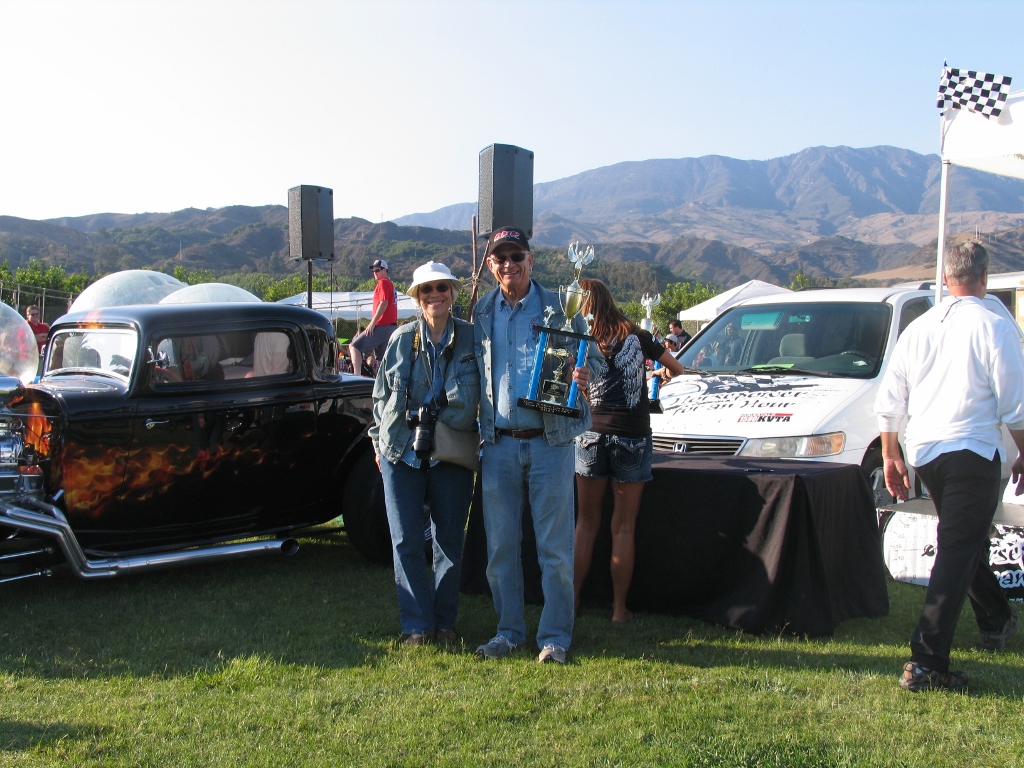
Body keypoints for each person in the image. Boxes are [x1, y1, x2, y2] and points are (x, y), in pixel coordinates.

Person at [875, 241, 1024, 693]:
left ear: (944, 278)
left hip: (926, 451)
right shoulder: (995, 325)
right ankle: (926, 660)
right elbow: (1015, 404)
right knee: (958, 546)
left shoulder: (920, 327)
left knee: (964, 537)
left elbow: (890, 397)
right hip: (972, 451)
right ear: (985, 276)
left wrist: (891, 453)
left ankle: (996, 618)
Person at [472, 226, 602, 665]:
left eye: (516, 256)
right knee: (501, 549)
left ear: (531, 260)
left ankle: (555, 638)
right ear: (490, 265)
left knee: (555, 550)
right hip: (499, 446)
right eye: (500, 258)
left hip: (551, 443)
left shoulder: (560, 307)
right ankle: (508, 633)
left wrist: (584, 374)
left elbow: (594, 358)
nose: (509, 264)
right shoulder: (482, 312)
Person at [370, 261, 480, 646]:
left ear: (452, 293)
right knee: (405, 540)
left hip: (451, 454)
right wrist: (376, 442)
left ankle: (445, 623)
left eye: (442, 288)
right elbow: (381, 396)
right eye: (426, 290)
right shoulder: (401, 340)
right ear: (417, 298)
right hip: (401, 451)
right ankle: (416, 626)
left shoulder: (472, 337)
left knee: (449, 539)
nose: (435, 295)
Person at [573, 279, 684, 623]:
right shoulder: (638, 334)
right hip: (633, 436)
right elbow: (678, 369)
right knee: (623, 527)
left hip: (590, 434)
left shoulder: (583, 337)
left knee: (586, 524)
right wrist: (661, 374)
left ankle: (572, 603)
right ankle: (619, 610)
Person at [350, 259, 398, 376]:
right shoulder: (390, 284)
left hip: (382, 325)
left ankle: (357, 377)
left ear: (385, 270)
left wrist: (372, 323)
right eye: (373, 271)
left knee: (354, 346)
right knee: (382, 360)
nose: (375, 273)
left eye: (378, 270)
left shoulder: (383, 282)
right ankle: (384, 383)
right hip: (390, 327)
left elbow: (383, 303)